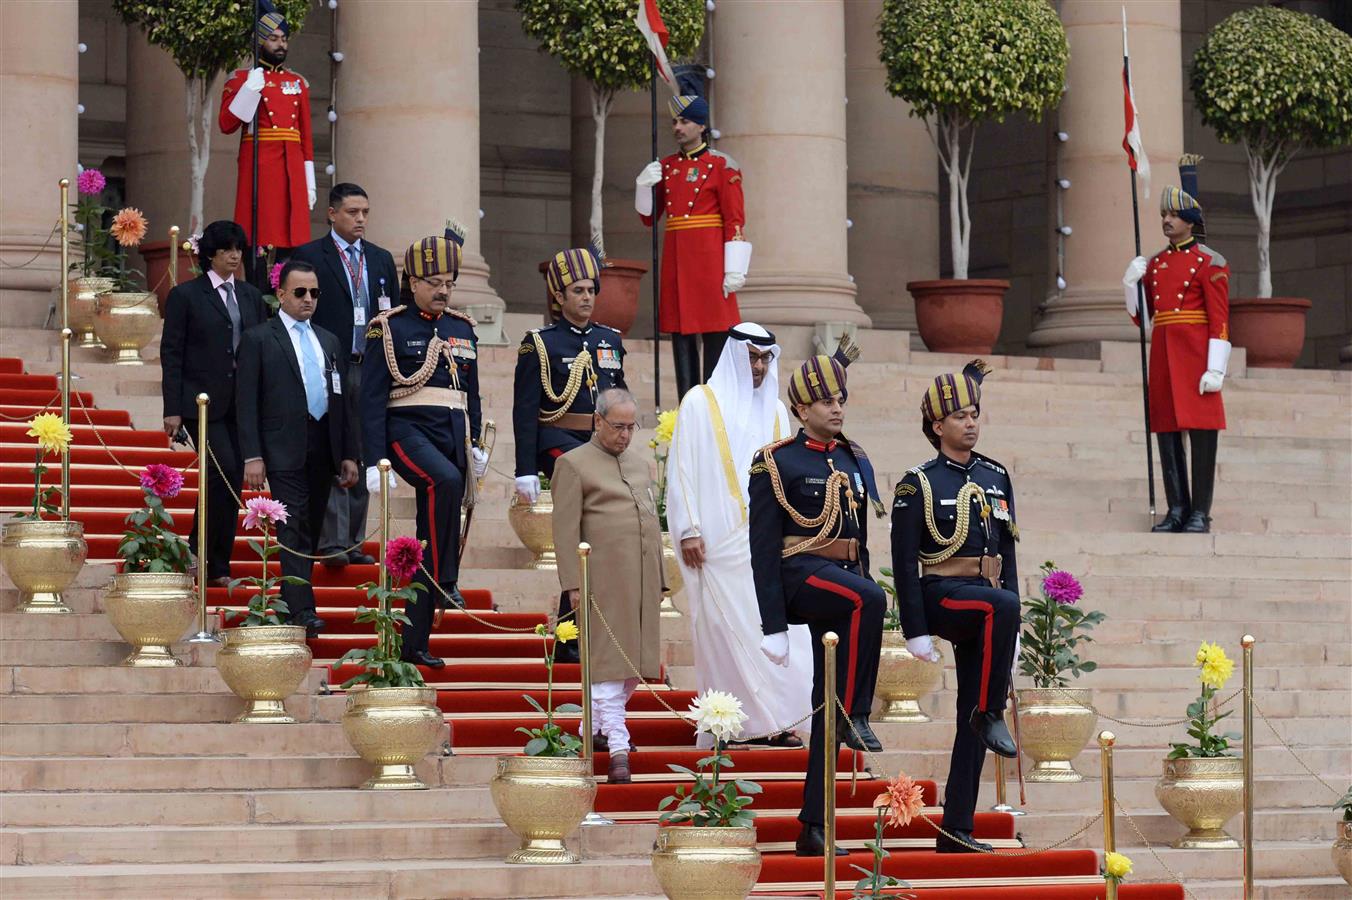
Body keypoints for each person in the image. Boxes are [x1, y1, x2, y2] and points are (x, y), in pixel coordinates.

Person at [749, 351, 886, 857]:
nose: (837, 408)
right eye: (826, 401)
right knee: (870, 597)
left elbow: (861, 538)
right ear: (801, 407)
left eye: (841, 399)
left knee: (824, 706)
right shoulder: (776, 461)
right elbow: (762, 548)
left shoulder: (853, 457)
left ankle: (814, 825)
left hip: (844, 581)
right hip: (797, 576)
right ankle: (859, 713)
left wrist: (865, 584)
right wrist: (773, 624)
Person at [890, 360, 1021, 854]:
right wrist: (915, 630)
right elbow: (905, 563)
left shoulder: (995, 475)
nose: (970, 422)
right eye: (960, 416)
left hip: (990, 604)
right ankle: (991, 713)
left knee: (972, 710)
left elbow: (1008, 552)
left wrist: (1014, 622)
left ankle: (957, 826)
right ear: (937, 425)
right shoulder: (917, 482)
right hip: (940, 593)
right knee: (998, 608)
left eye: (975, 414)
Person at [665, 322, 811, 749]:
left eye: (766, 358)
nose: (760, 366)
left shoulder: (779, 412)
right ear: (733, 356)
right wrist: (689, 528)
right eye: (752, 357)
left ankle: (780, 722)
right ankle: (729, 725)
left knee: (775, 635)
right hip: (713, 543)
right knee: (721, 632)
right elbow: (683, 470)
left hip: (766, 544)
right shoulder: (699, 402)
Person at [361, 231, 488, 669]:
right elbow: (372, 397)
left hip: (451, 431)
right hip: (407, 430)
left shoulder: (462, 327)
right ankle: (446, 579)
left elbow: (471, 393)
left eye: (448, 282)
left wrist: (473, 446)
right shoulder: (389, 327)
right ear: (412, 282)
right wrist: (372, 459)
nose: (443, 290)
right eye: (433, 281)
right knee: (443, 482)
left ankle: (415, 643)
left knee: (431, 532)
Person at [513, 248, 627, 664]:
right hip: (558, 442)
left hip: (601, 445)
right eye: (577, 290)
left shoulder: (609, 340)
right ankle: (571, 636)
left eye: (590, 290)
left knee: (599, 538)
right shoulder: (539, 344)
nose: (586, 297)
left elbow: (620, 399)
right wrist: (525, 469)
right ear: (558, 297)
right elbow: (525, 409)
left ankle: (573, 635)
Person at [235, 260, 360, 637]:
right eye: (301, 292)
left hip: (323, 444)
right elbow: (246, 401)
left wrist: (349, 452)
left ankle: (297, 603)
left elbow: (343, 400)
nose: (309, 299)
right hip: (281, 445)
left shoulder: (329, 340)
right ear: (281, 294)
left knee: (312, 525)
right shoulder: (260, 338)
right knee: (293, 528)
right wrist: (252, 455)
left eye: (315, 293)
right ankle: (301, 609)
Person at [551, 388, 663, 785]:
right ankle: (618, 744)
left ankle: (591, 731)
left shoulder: (638, 463)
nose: (625, 435)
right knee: (608, 664)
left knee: (636, 665)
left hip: (643, 578)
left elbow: (650, 520)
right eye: (618, 426)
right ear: (597, 421)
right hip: (601, 580)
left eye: (632, 427)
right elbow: (564, 532)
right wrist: (572, 585)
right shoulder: (573, 464)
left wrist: (661, 578)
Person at [291, 182, 399, 567]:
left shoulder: (382, 259)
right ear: (332, 214)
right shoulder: (310, 257)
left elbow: (394, 316)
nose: (360, 219)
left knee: (366, 447)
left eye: (365, 213)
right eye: (353, 212)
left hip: (371, 365)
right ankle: (332, 540)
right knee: (337, 449)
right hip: (331, 363)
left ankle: (354, 540)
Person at [1122, 161, 1231, 534]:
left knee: (1202, 436)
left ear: (1189, 219)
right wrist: (1131, 285)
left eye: (1173, 214)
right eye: (1163, 214)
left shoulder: (1210, 262)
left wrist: (1216, 367)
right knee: (1167, 435)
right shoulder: (1155, 264)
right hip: (1165, 355)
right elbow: (1143, 319)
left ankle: (1201, 510)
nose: (1166, 220)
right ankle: (1177, 509)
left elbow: (1219, 318)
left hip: (1196, 354)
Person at [160, 220, 268, 586]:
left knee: (228, 481)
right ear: (211, 254)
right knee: (221, 471)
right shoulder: (186, 295)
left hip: (243, 401)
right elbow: (171, 353)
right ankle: (209, 560)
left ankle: (209, 556)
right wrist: (172, 407)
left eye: (238, 248)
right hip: (201, 403)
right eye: (226, 250)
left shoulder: (252, 296)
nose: (234, 255)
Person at [635, 92, 751, 400]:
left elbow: (734, 219)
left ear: (701, 126)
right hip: (677, 259)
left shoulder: (722, 165)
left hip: (709, 260)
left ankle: (712, 403)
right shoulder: (667, 166)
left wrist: (734, 268)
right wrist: (644, 187)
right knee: (681, 335)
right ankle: (688, 403)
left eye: (684, 121)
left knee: (715, 334)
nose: (677, 127)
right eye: (674, 121)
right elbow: (649, 219)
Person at [219, 0, 315, 252]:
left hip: (292, 164)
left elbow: (306, 137)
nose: (280, 44)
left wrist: (310, 180)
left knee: (294, 236)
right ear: (260, 41)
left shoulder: (297, 82)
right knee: (259, 234)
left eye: (283, 38)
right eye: (273, 38)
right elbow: (226, 124)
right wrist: (249, 90)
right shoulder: (241, 78)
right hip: (261, 163)